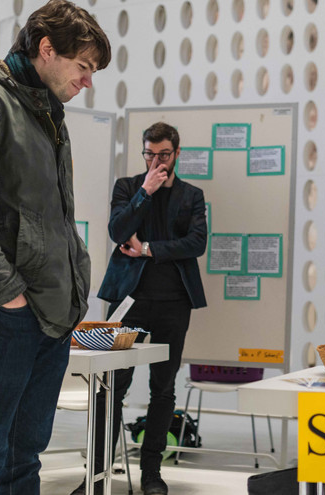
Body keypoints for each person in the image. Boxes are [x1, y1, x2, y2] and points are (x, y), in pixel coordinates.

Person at [0, 1, 110, 492]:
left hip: (48, 313)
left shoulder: (46, 112)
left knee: (22, 457)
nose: (88, 81)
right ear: (47, 49)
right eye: (84, 66)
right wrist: (6, 296)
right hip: (4, 313)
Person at [86, 122, 207, 495]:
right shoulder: (128, 187)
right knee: (110, 386)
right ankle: (98, 473)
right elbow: (117, 229)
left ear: (177, 153)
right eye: (150, 154)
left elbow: (197, 243)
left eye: (164, 155)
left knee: (163, 388)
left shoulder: (192, 195)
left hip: (173, 303)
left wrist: (149, 249)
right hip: (128, 300)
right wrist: (145, 192)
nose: (157, 161)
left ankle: (151, 472)